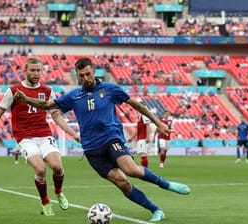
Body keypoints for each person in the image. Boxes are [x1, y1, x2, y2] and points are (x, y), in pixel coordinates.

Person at [14, 57, 191, 222]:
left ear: (94, 72)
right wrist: (26, 99)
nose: (85, 78)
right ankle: (156, 210)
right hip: (92, 150)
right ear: (77, 76)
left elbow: (136, 104)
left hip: (111, 139)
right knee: (122, 183)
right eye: (81, 75)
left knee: (131, 170)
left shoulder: (110, 89)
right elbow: (47, 105)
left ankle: (166, 184)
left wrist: (158, 123)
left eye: (88, 74)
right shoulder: (74, 96)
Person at [0, 56, 80, 216]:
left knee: (57, 167)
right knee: (40, 169)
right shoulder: (14, 91)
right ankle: (45, 202)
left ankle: (59, 191)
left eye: (39, 70)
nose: (36, 73)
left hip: (44, 134)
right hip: (25, 137)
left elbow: (56, 116)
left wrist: (74, 134)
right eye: (33, 70)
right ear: (25, 71)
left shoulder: (47, 91)